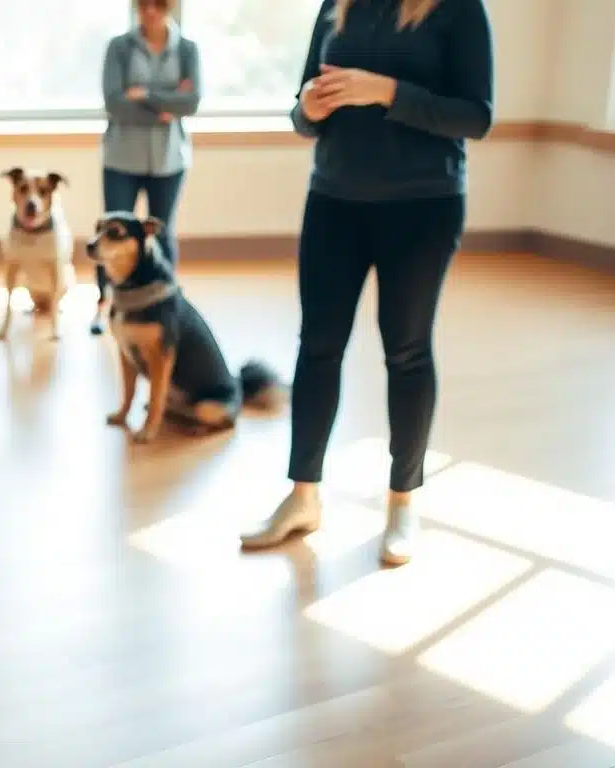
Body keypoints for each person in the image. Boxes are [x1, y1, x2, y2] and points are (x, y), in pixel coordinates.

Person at [240, 0, 494, 565]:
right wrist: (306, 108)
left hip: (424, 206)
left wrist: (388, 92)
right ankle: (303, 496)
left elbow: (477, 117)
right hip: (333, 200)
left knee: (407, 351)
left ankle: (403, 502)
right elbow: (304, 111)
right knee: (318, 347)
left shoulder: (459, 9)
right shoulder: (337, 5)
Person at [92, 0, 200, 335]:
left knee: (162, 233)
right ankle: (104, 304)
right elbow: (115, 104)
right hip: (121, 158)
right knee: (111, 233)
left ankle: (165, 305)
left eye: (158, 4)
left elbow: (191, 102)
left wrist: (144, 94)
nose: (150, 11)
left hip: (169, 160)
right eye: (143, 4)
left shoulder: (187, 50)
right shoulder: (119, 47)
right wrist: (166, 105)